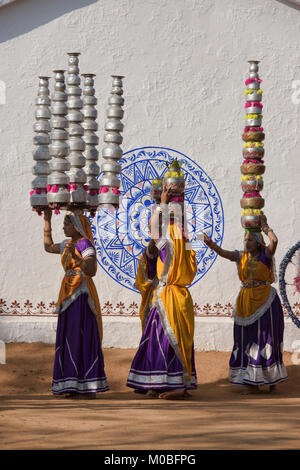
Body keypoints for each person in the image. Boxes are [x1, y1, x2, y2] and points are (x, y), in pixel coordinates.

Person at [127, 185, 198, 399]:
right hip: (169, 297)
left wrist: (163, 204)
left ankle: (177, 386)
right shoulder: (185, 242)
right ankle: (158, 383)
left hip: (170, 297)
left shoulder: (174, 239)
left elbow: (154, 237)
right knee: (158, 338)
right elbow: (152, 248)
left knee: (168, 340)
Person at [204, 215, 288, 394]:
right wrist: (210, 243)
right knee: (247, 340)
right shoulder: (240, 256)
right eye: (245, 239)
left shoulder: (266, 255)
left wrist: (265, 226)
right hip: (245, 302)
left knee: (265, 340)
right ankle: (252, 382)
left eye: (250, 239)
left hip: (266, 302)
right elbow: (223, 253)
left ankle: (270, 378)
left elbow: (274, 240)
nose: (247, 242)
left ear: (258, 242)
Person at [43, 208, 109, 398]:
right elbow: (48, 247)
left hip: (81, 295)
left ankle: (87, 386)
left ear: (77, 225)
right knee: (69, 336)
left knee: (81, 335)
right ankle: (71, 384)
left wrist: (77, 259)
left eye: (66, 224)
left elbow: (91, 269)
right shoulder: (67, 243)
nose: (63, 227)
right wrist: (46, 220)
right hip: (67, 293)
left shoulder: (84, 244)